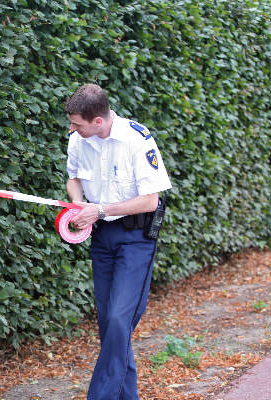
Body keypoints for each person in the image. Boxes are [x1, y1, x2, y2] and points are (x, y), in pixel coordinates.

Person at [64, 84, 172, 400]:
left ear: (98, 121)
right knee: (110, 327)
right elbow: (74, 178)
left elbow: (150, 201)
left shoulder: (137, 140)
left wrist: (99, 210)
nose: (71, 129)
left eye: (77, 123)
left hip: (136, 239)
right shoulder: (77, 141)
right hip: (102, 238)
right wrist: (77, 204)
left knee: (117, 320)